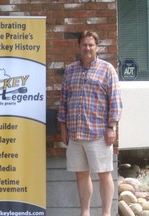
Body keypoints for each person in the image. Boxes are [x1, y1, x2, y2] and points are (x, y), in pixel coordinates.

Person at [58, 30, 123, 216]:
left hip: (98, 134)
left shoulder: (107, 69)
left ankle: (106, 213)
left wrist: (112, 127)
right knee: (81, 174)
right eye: (84, 45)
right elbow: (63, 102)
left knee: (104, 174)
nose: (87, 48)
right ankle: (84, 212)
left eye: (91, 45)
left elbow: (116, 102)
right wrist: (63, 128)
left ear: (97, 47)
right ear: (79, 46)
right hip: (75, 134)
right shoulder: (70, 70)